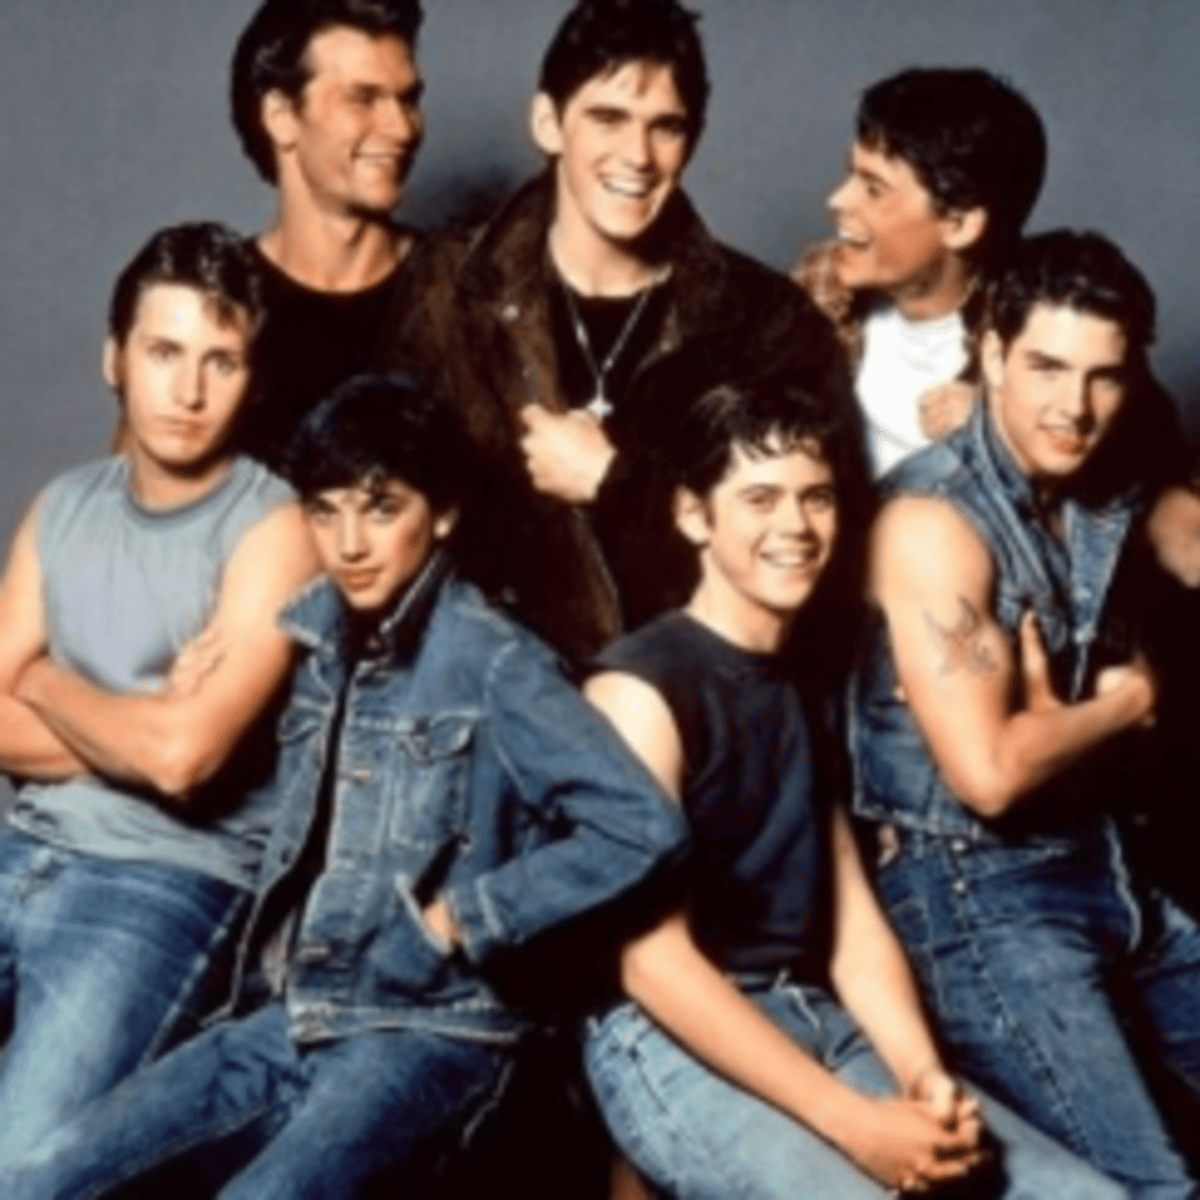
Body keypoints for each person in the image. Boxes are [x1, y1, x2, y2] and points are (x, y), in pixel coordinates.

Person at [3, 371, 686, 1200]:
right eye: (326, 513)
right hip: (297, 1010)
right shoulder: (307, 642)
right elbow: (196, 756)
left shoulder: (495, 659)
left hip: (431, 1029)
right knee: (38, 1180)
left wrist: (462, 919)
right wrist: (181, 688)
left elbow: (641, 825)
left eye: (381, 508)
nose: (351, 543)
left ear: (441, 513)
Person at [582, 377, 1123, 1198]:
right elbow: (651, 965)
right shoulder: (638, 690)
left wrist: (922, 1076)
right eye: (760, 498)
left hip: (813, 1017)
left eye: (817, 497)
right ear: (694, 515)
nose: (796, 526)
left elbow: (849, 920)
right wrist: (855, 1125)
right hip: (667, 1038)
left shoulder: (808, 677)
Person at [851, 229, 1200, 1196]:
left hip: (1103, 864)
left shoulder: (1101, 483)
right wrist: (1129, 703)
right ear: (993, 355)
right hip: (976, 892)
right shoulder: (931, 523)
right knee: (1155, 1188)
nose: (1072, 407)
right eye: (1046, 367)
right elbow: (991, 773)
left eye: (1102, 377)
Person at [383, 0, 858, 662]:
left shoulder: (767, 320)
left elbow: (815, 559)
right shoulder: (446, 288)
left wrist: (615, 483)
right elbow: (386, 507)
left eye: (665, 127)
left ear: (691, 141)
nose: (637, 155)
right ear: (549, 123)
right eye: (607, 118)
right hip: (485, 692)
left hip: (687, 692)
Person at [0, 222, 318, 1166]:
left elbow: (186, 762)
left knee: (22, 1171)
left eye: (221, 361)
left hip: (163, 878)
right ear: (115, 358)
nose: (188, 391)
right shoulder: (64, 506)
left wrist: (40, 678)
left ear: (252, 377)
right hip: (23, 843)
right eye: (164, 352)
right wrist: (141, 721)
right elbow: (153, 741)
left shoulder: (276, 530)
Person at [794, 67, 1046, 476]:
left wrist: (1001, 429)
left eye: (873, 188)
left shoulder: (1046, 324)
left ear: (959, 224)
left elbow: (1137, 472)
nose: (837, 200)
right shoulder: (820, 280)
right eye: (850, 173)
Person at [228, 0, 426, 466]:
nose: (401, 129)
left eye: (409, 99)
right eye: (363, 99)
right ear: (281, 116)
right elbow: (134, 498)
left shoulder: (467, 293)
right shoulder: (217, 301)